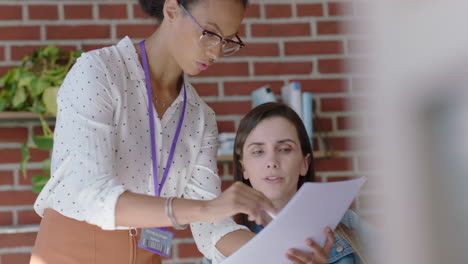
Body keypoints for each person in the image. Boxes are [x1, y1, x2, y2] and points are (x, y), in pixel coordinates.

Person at [29, 0, 334, 264]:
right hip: (72, 254)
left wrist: (283, 255)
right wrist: (207, 208)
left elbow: (212, 227)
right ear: (172, 8)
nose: (215, 52)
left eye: (227, 40)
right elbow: (92, 196)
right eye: (209, 33)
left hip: (149, 255)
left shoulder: (200, 117)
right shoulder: (98, 72)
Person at [228, 102, 372, 264]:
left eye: (284, 149)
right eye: (258, 151)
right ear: (243, 169)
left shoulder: (348, 224)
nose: (272, 162)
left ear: (305, 163)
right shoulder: (223, 239)